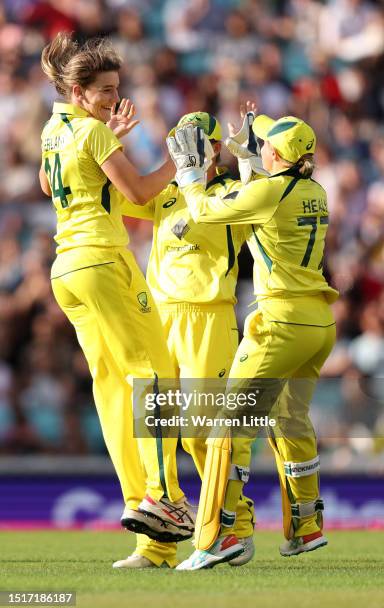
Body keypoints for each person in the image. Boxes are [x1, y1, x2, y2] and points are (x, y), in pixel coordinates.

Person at [39, 32, 194, 569]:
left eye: (116, 89)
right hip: (104, 263)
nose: (113, 99)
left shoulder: (55, 129)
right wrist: (183, 162)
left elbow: (46, 182)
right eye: (105, 90)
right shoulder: (91, 132)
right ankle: (165, 498)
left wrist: (101, 134)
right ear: (78, 91)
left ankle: (147, 531)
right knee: (156, 377)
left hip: (67, 271)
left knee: (113, 391)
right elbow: (140, 194)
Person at [166, 112, 338, 570]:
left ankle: (220, 535)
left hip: (280, 323)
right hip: (318, 323)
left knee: (229, 426)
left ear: (277, 154)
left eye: (263, 142)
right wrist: (246, 159)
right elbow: (266, 198)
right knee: (291, 420)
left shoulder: (268, 190)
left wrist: (189, 176)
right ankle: (306, 526)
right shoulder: (314, 190)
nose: (257, 144)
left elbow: (205, 210)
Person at [113, 112, 256, 568]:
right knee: (154, 428)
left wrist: (247, 155)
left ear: (215, 148)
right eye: (177, 140)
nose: (183, 149)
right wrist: (110, 142)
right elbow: (122, 193)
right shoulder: (167, 191)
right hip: (158, 316)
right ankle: (155, 546)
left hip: (209, 317)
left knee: (202, 434)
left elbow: (261, 193)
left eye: (194, 141)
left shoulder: (230, 194)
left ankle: (234, 527)